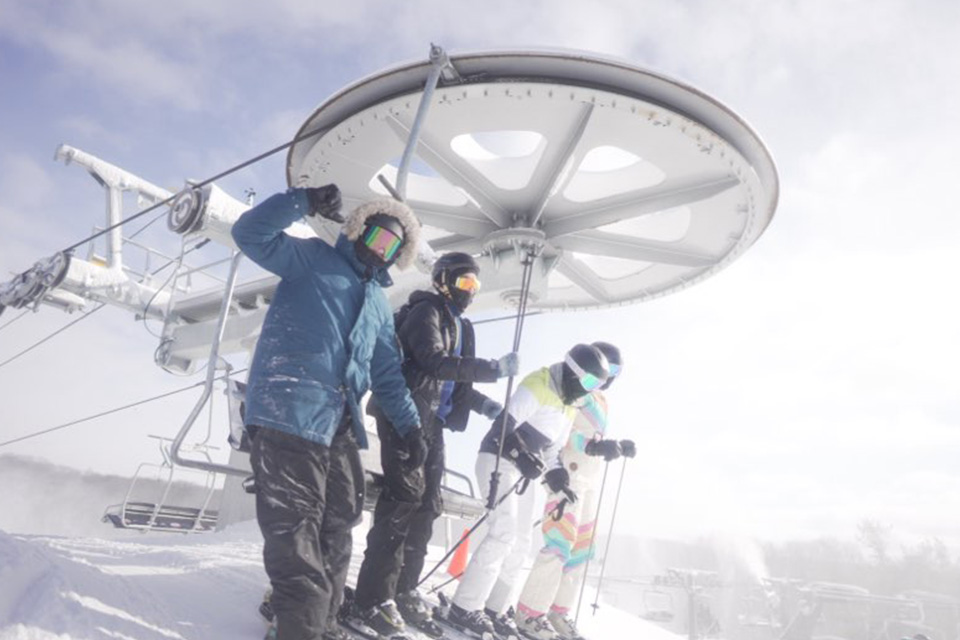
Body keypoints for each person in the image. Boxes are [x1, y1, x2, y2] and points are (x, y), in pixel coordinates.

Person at [232, 185, 426, 640]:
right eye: (377, 237)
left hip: (335, 424)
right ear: (359, 230)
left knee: (340, 523)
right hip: (288, 410)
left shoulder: (379, 304)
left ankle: (322, 622)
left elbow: (388, 374)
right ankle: (299, 628)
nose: (381, 250)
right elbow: (251, 233)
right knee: (296, 535)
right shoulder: (313, 259)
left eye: (392, 246)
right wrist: (302, 202)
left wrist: (411, 427)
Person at [350, 252, 520, 638]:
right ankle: (372, 596)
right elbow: (433, 362)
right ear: (443, 280)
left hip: (433, 423)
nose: (470, 292)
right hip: (404, 415)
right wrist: (494, 369)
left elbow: (453, 382)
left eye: (475, 285)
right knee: (403, 502)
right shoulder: (425, 312)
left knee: (427, 507)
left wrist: (481, 403)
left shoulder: (458, 323)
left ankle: (403, 588)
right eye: (464, 283)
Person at [443, 344, 611, 639]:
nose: (589, 392)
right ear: (573, 372)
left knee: (521, 541)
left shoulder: (569, 404)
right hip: (498, 460)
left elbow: (552, 450)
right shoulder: (540, 383)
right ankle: (464, 607)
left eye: (596, 387)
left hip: (524, 470)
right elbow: (504, 427)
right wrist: (520, 455)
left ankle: (495, 608)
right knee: (503, 532)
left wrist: (558, 478)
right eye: (588, 383)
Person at [514, 341, 635, 640]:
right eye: (608, 368)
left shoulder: (601, 401)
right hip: (567, 474)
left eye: (616, 370)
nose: (610, 377)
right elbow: (567, 434)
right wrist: (596, 446)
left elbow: (591, 438)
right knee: (559, 543)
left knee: (582, 550)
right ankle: (529, 613)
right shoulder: (578, 393)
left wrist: (616, 446)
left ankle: (558, 611)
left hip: (589, 480)